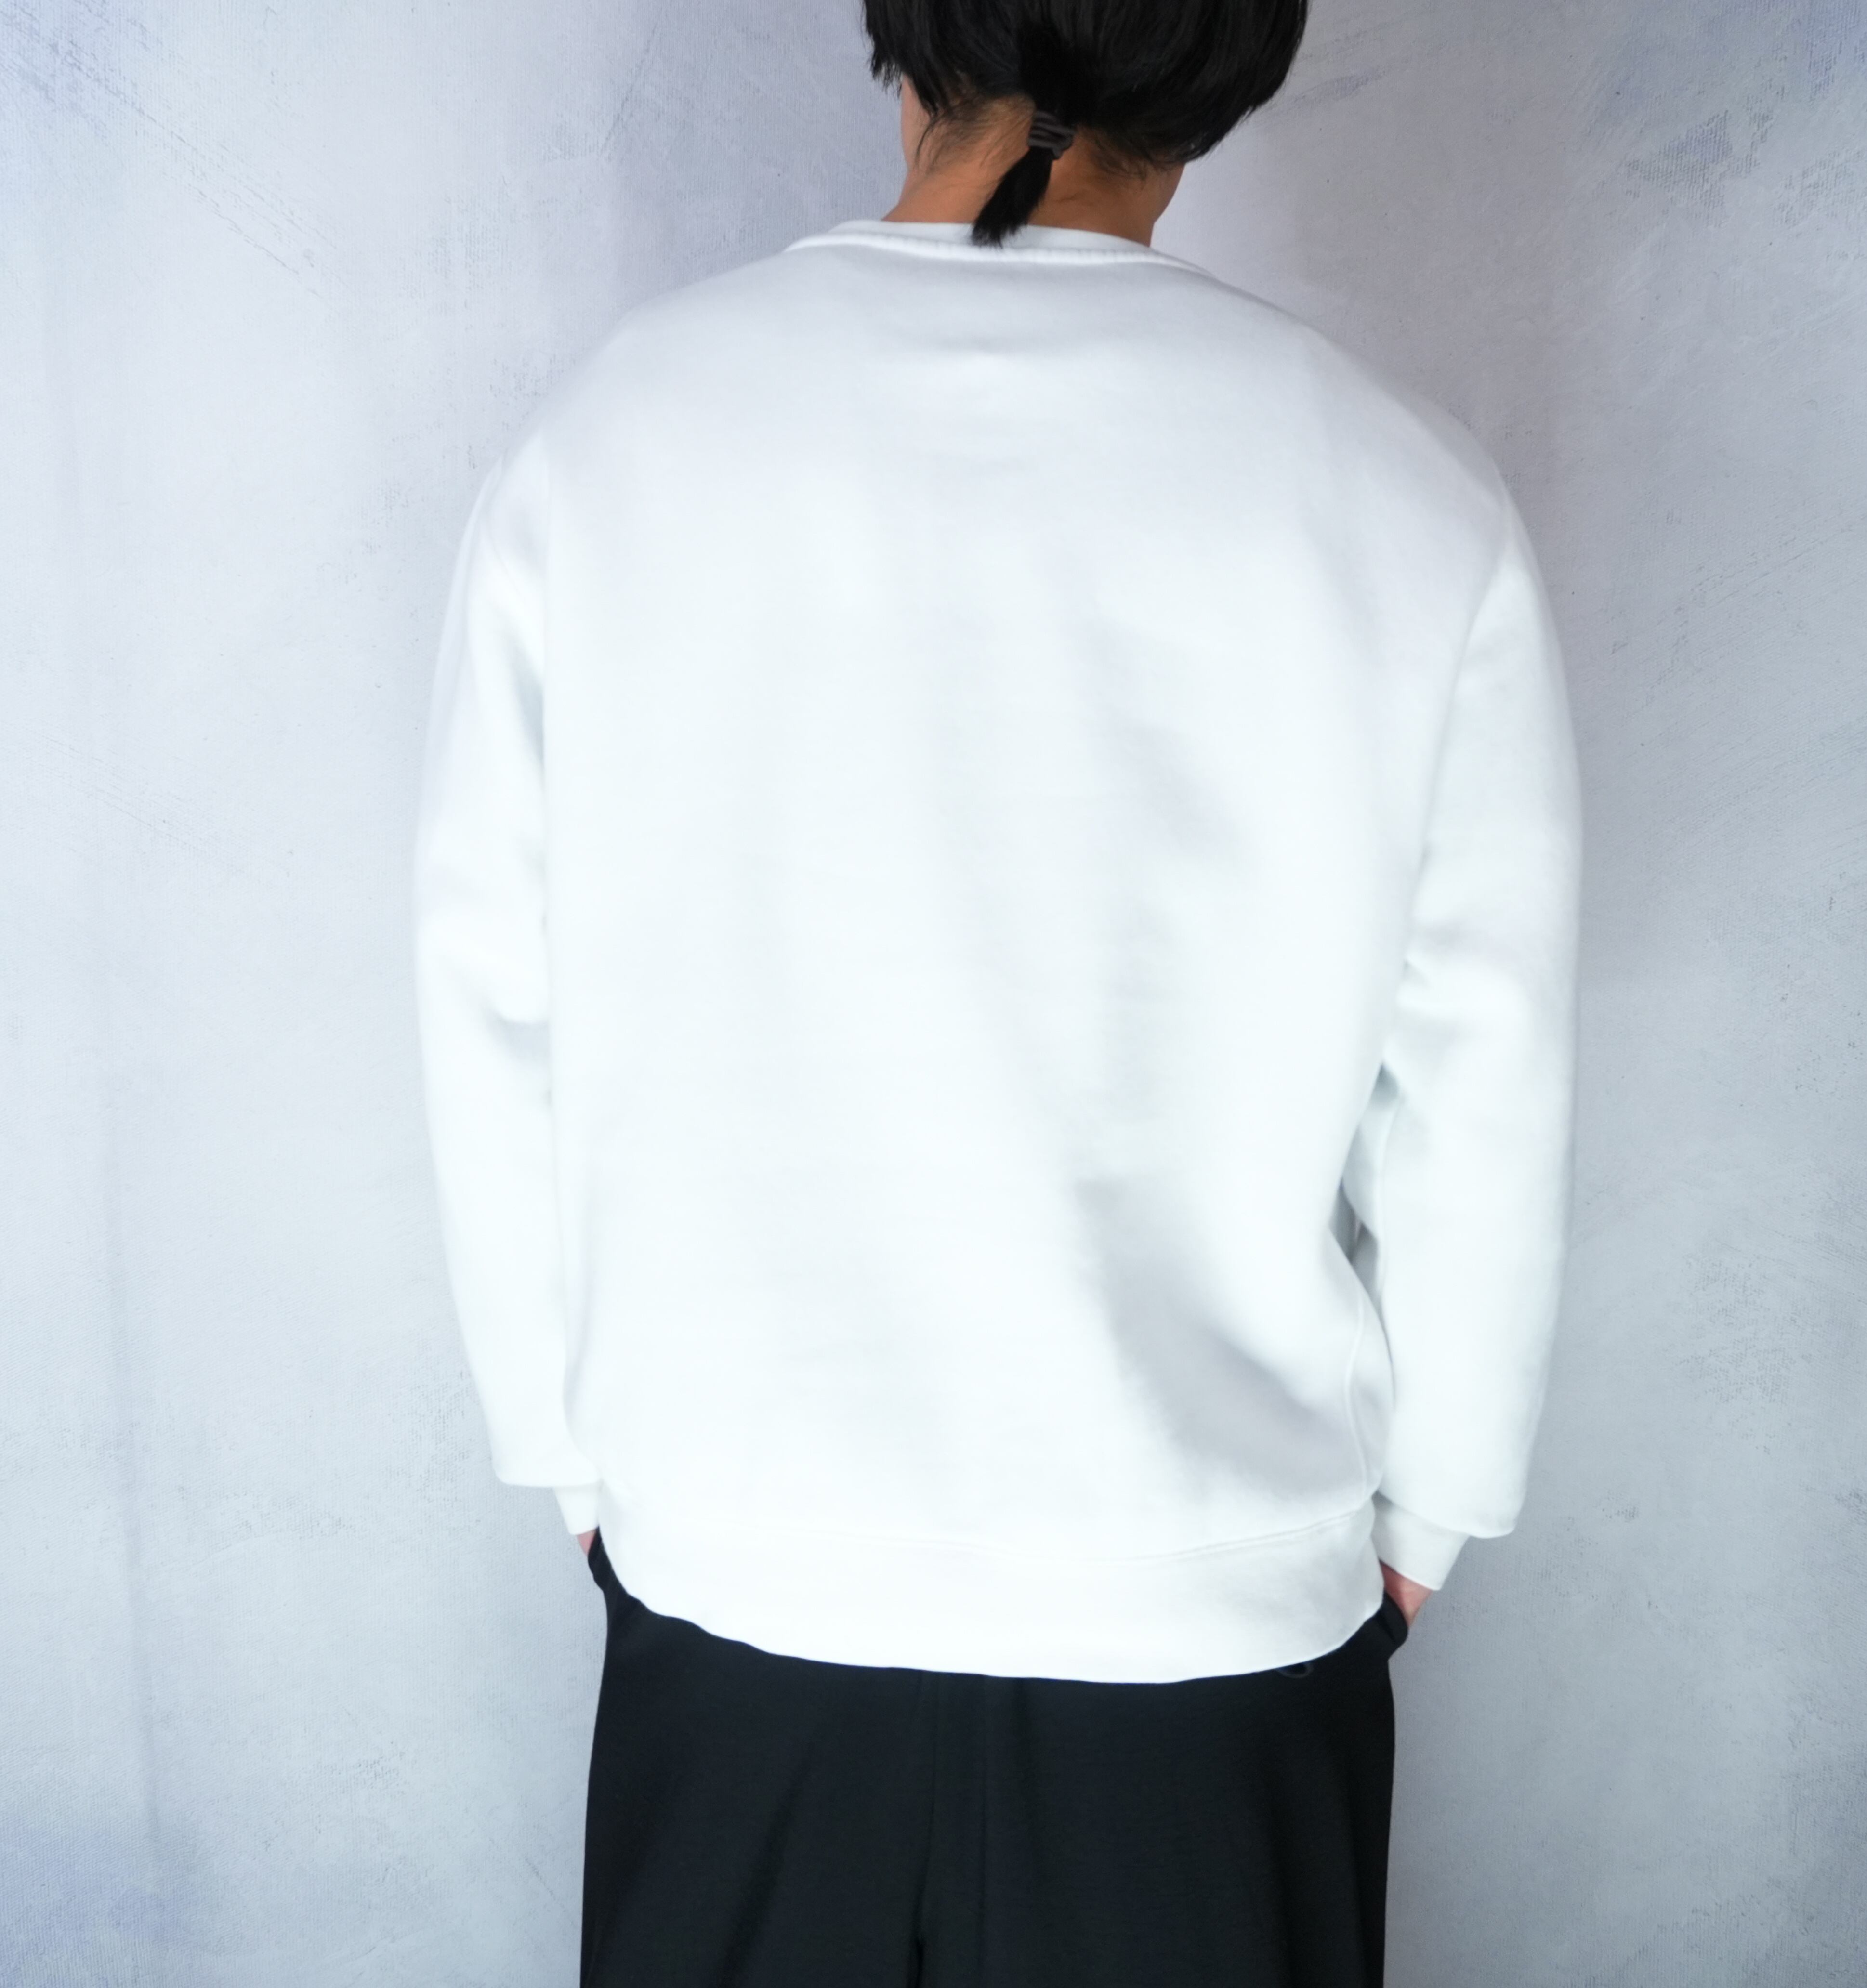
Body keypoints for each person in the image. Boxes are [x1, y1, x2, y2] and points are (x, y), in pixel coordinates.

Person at [410, 0, 1582, 1981]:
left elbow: (492, 993)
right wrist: (1430, 1511)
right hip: (1210, 1623)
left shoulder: (614, 441)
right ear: (1232, 59)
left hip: (742, 1586)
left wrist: (576, 1449)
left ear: (908, 29)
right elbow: (1483, 1073)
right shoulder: (1399, 492)